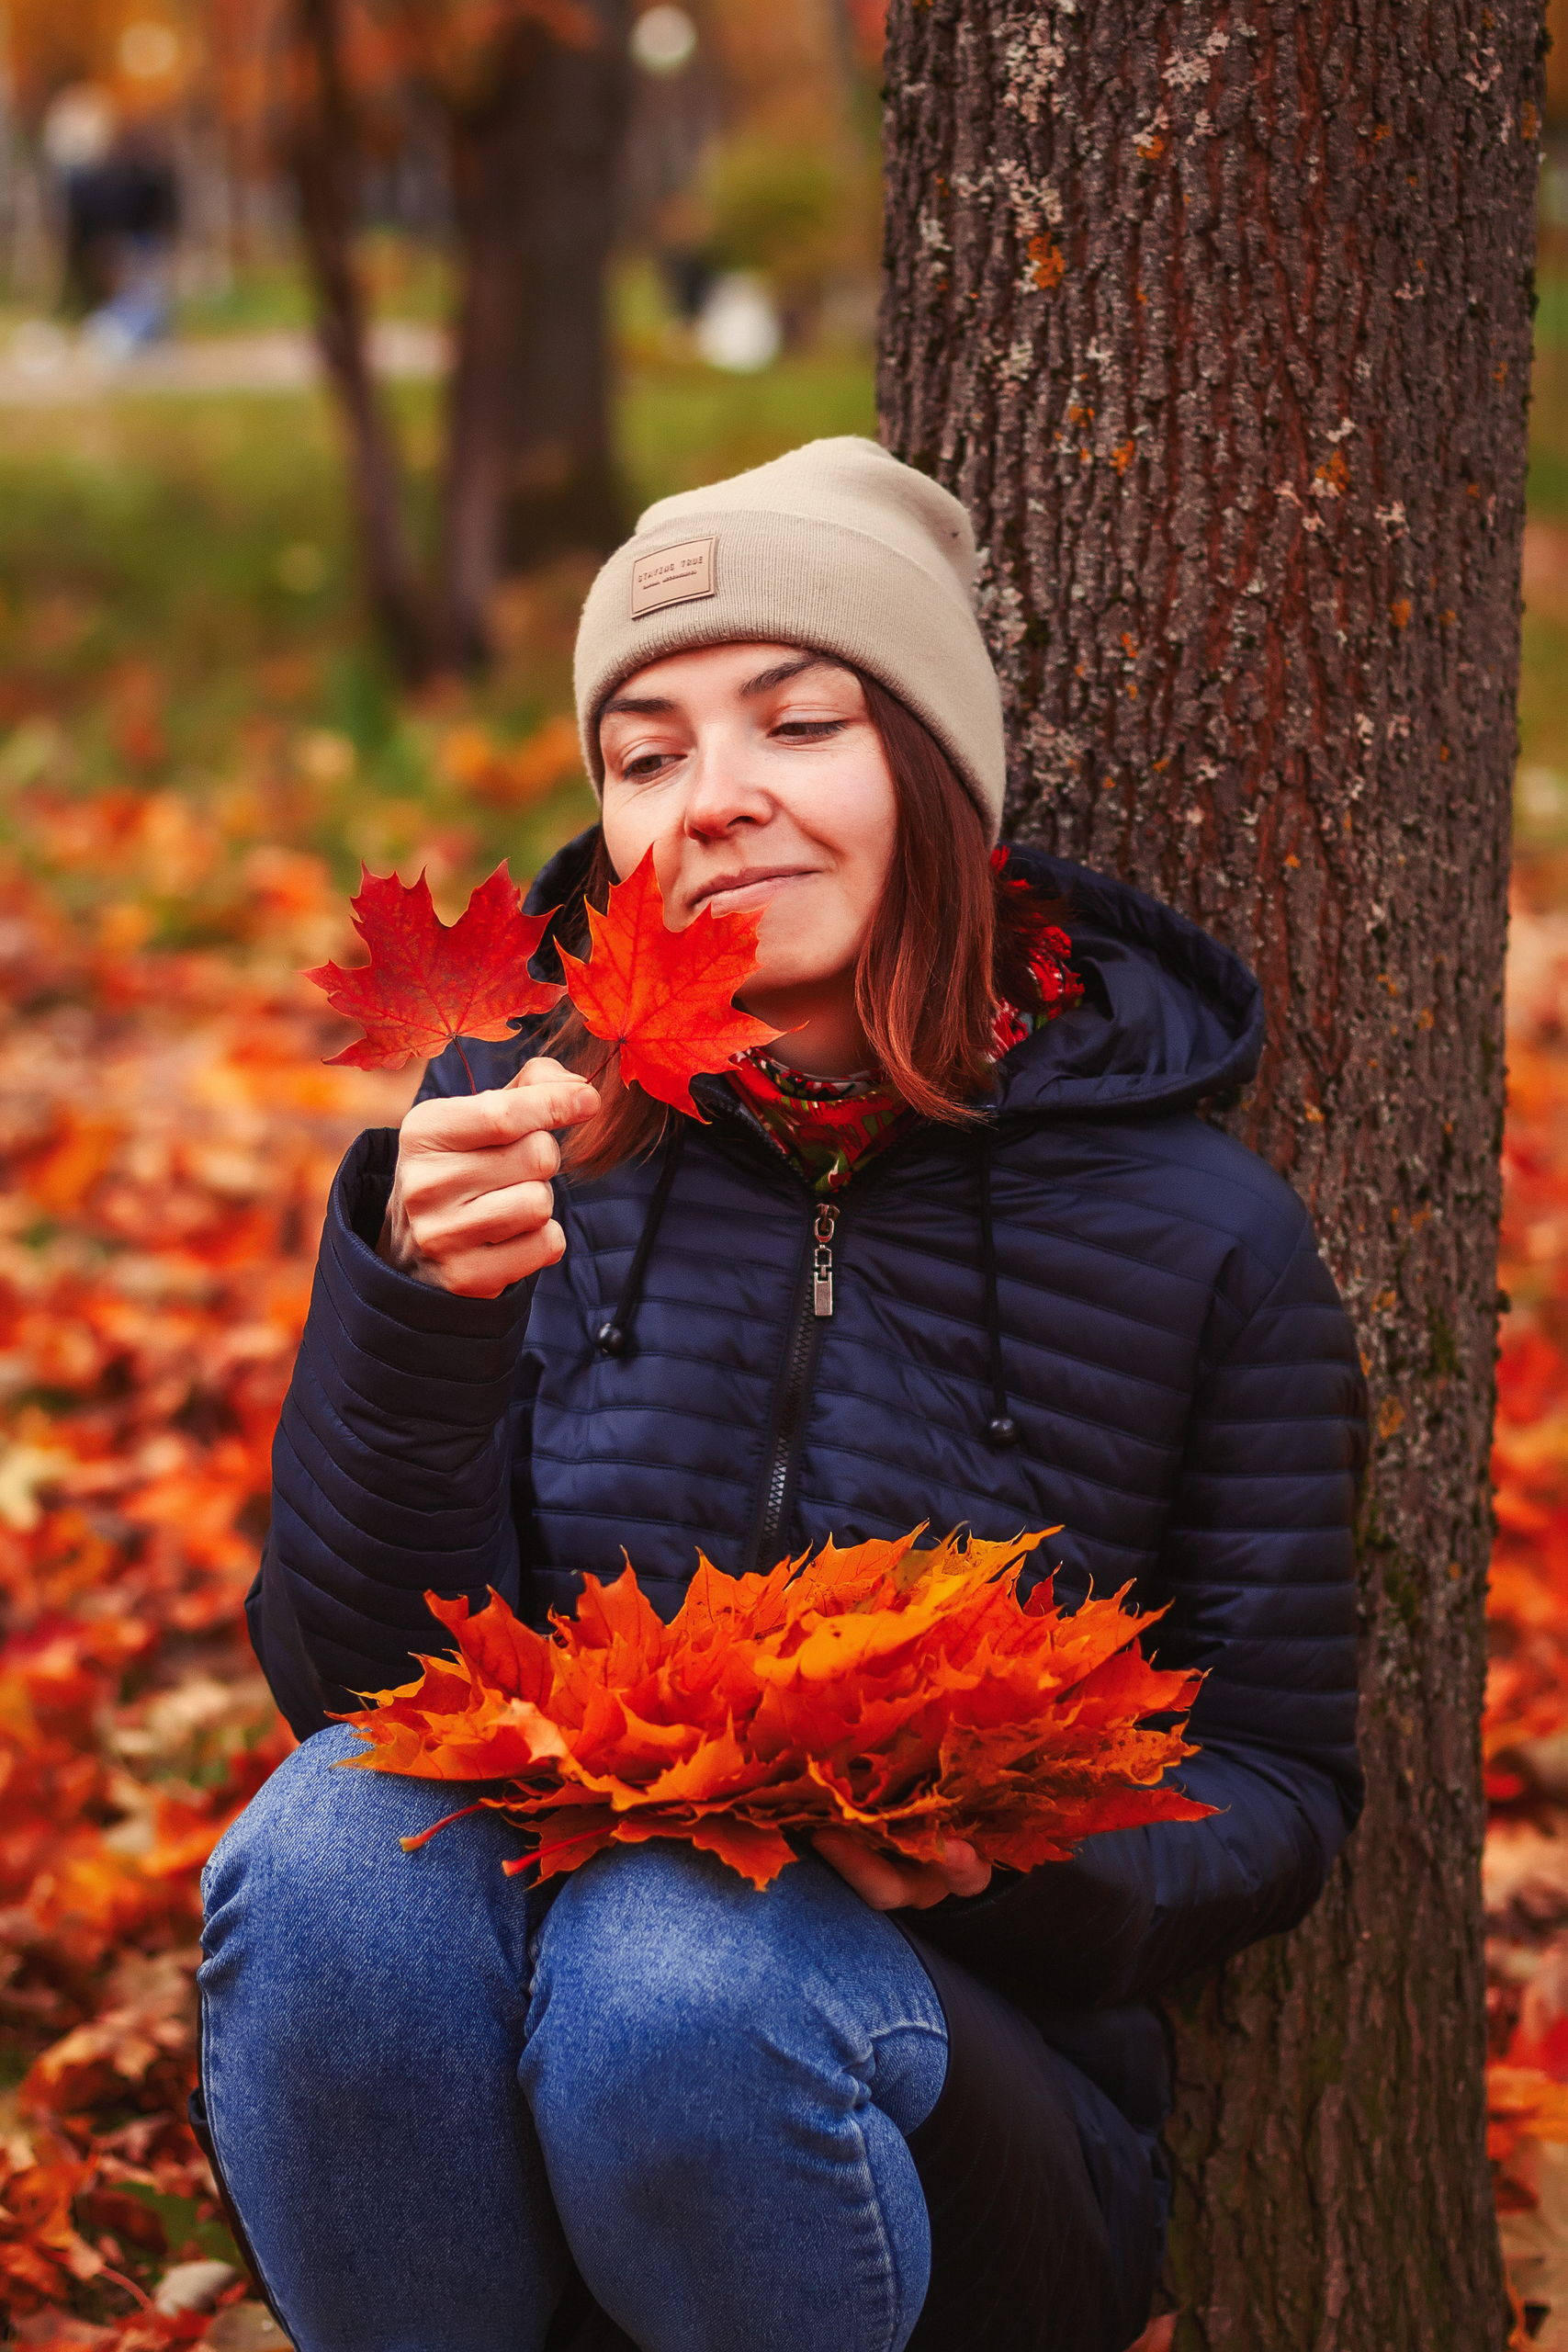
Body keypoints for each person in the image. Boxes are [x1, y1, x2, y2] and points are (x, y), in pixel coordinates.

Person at [199, 439, 1367, 2352]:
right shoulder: (530, 1138)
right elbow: (359, 1686)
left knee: (684, 1961)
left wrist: (1024, 1859)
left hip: (941, 2097)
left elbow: (1275, 1786)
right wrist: (417, 1309)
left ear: (931, 767)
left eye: (796, 721)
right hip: (495, 2041)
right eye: (644, 752)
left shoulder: (1196, 1232)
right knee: (328, 1838)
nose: (713, 798)